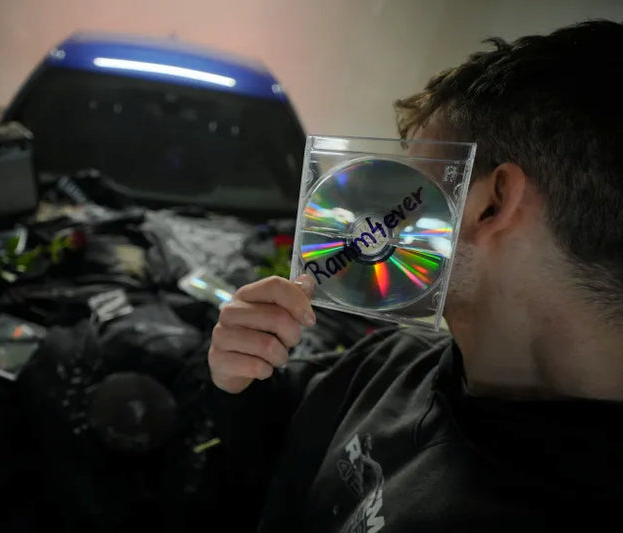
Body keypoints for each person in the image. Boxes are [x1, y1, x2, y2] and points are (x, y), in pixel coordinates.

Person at [207, 20, 623, 532]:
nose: (389, 216)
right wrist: (240, 379)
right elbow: (274, 447)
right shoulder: (395, 359)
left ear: (492, 205)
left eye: (412, 183)